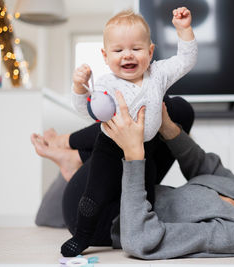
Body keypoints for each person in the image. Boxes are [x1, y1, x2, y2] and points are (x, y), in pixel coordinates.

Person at [32, 93, 234, 259]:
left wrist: (135, 155)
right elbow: (204, 166)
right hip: (127, 191)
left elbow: (140, 240)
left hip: (102, 216)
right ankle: (75, 160)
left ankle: (68, 144)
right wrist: (169, 128)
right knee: (174, 109)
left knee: (141, 130)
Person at [63, 6, 197, 256]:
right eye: (118, 50)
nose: (128, 55)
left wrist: (184, 30)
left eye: (136, 49)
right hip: (110, 148)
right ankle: (82, 237)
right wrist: (79, 87)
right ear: (105, 55)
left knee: (144, 200)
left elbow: (186, 60)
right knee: (94, 195)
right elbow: (86, 111)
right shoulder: (105, 83)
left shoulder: (157, 74)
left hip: (145, 152)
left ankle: (136, 233)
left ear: (150, 51)